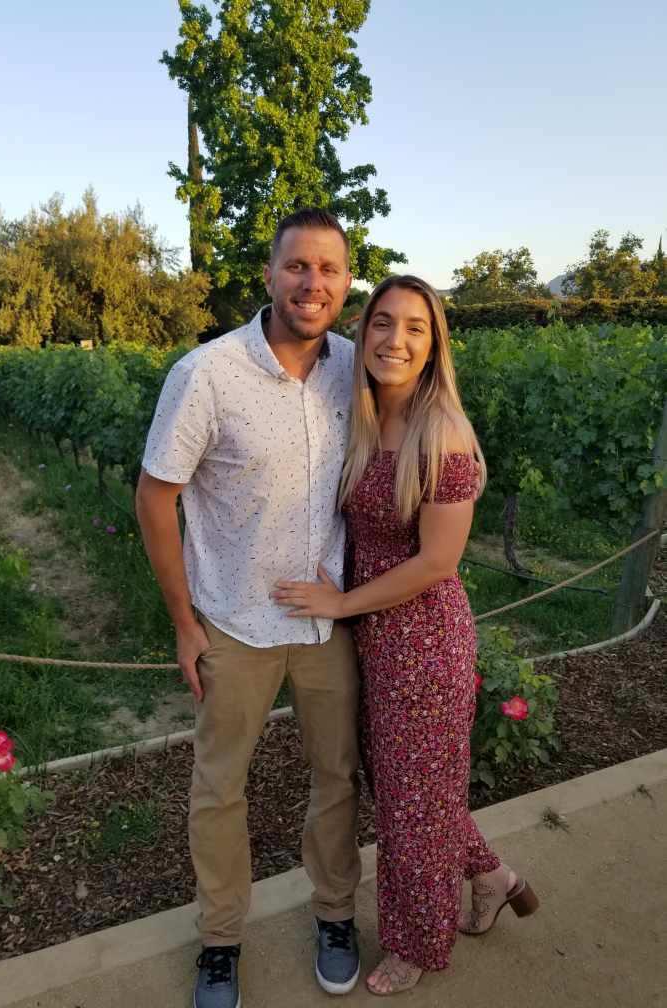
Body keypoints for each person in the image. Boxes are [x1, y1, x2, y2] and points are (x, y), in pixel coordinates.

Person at [272, 275, 539, 996]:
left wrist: (342, 601)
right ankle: (492, 877)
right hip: (372, 640)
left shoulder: (441, 432)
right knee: (410, 791)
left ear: (434, 345)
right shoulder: (364, 417)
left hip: (422, 644)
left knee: (410, 807)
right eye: (383, 322)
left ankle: (416, 943)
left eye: (415, 327)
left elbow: (436, 562)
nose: (395, 339)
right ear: (363, 335)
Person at [136, 209, 364, 1008]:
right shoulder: (207, 373)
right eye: (297, 265)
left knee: (337, 776)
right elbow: (154, 498)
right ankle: (221, 939)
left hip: (327, 623)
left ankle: (335, 913)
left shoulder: (356, 368)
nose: (312, 283)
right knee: (219, 787)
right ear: (268, 275)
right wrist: (184, 624)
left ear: (347, 281)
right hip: (234, 622)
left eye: (328, 268)